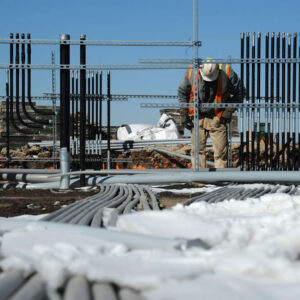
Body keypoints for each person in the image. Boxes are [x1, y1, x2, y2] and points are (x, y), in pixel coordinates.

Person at [178, 59, 243, 168]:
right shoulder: (192, 72)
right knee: (197, 152)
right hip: (197, 116)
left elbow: (240, 92)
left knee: (221, 153)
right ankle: (199, 180)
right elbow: (182, 93)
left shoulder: (227, 73)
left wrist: (228, 111)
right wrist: (184, 113)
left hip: (218, 117)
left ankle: (219, 181)